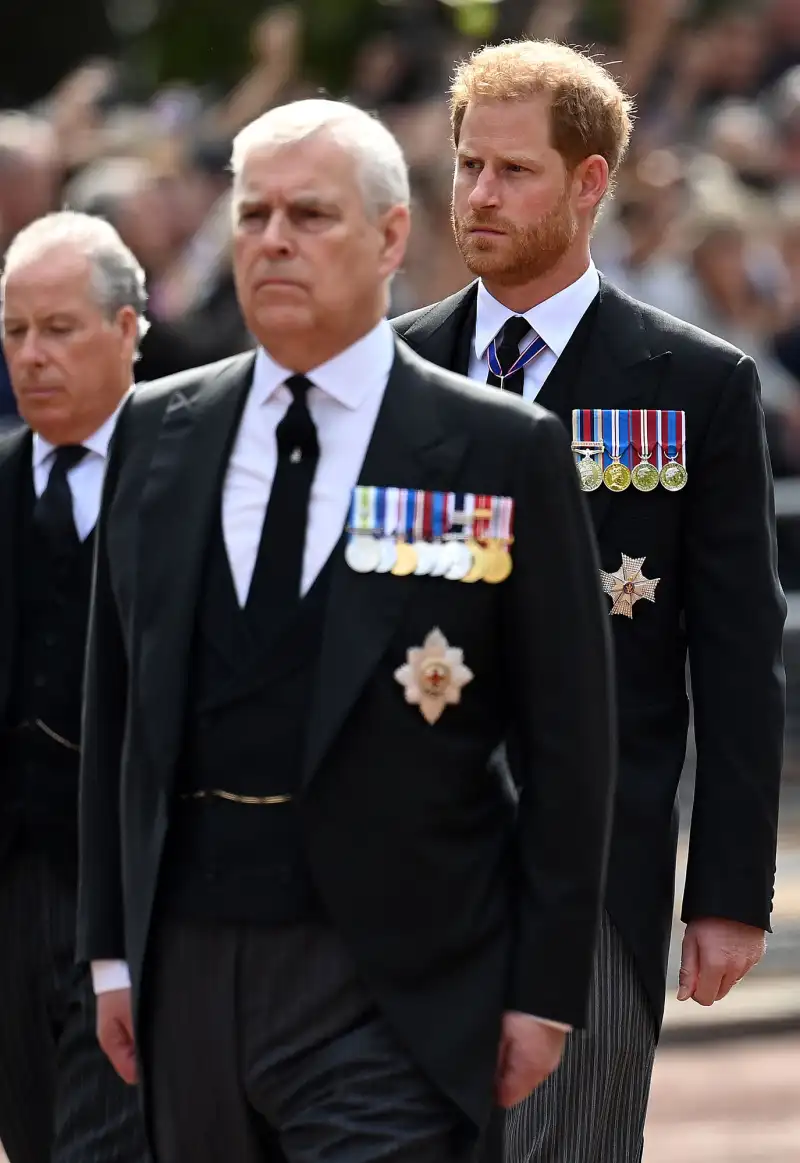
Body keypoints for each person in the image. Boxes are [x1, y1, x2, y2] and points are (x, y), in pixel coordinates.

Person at [76, 98, 615, 1163]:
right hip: (187, 960)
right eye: (253, 214)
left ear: (386, 238)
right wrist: (109, 953)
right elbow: (117, 712)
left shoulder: (497, 448)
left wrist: (544, 985)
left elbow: (569, 739)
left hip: (398, 971)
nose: (273, 239)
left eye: (310, 214)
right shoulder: (153, 432)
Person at [392, 40, 786, 1163]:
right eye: (465, 166)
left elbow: (736, 650)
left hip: (596, 879)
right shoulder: (393, 369)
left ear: (587, 184)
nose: (475, 195)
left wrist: (725, 890)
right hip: (405, 870)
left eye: (511, 171)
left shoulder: (694, 382)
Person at [0, 212, 151, 1163]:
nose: (31, 355)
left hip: (144, 900)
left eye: (58, 328)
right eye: (15, 332)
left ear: (129, 328)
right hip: (11, 898)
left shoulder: (202, 476)